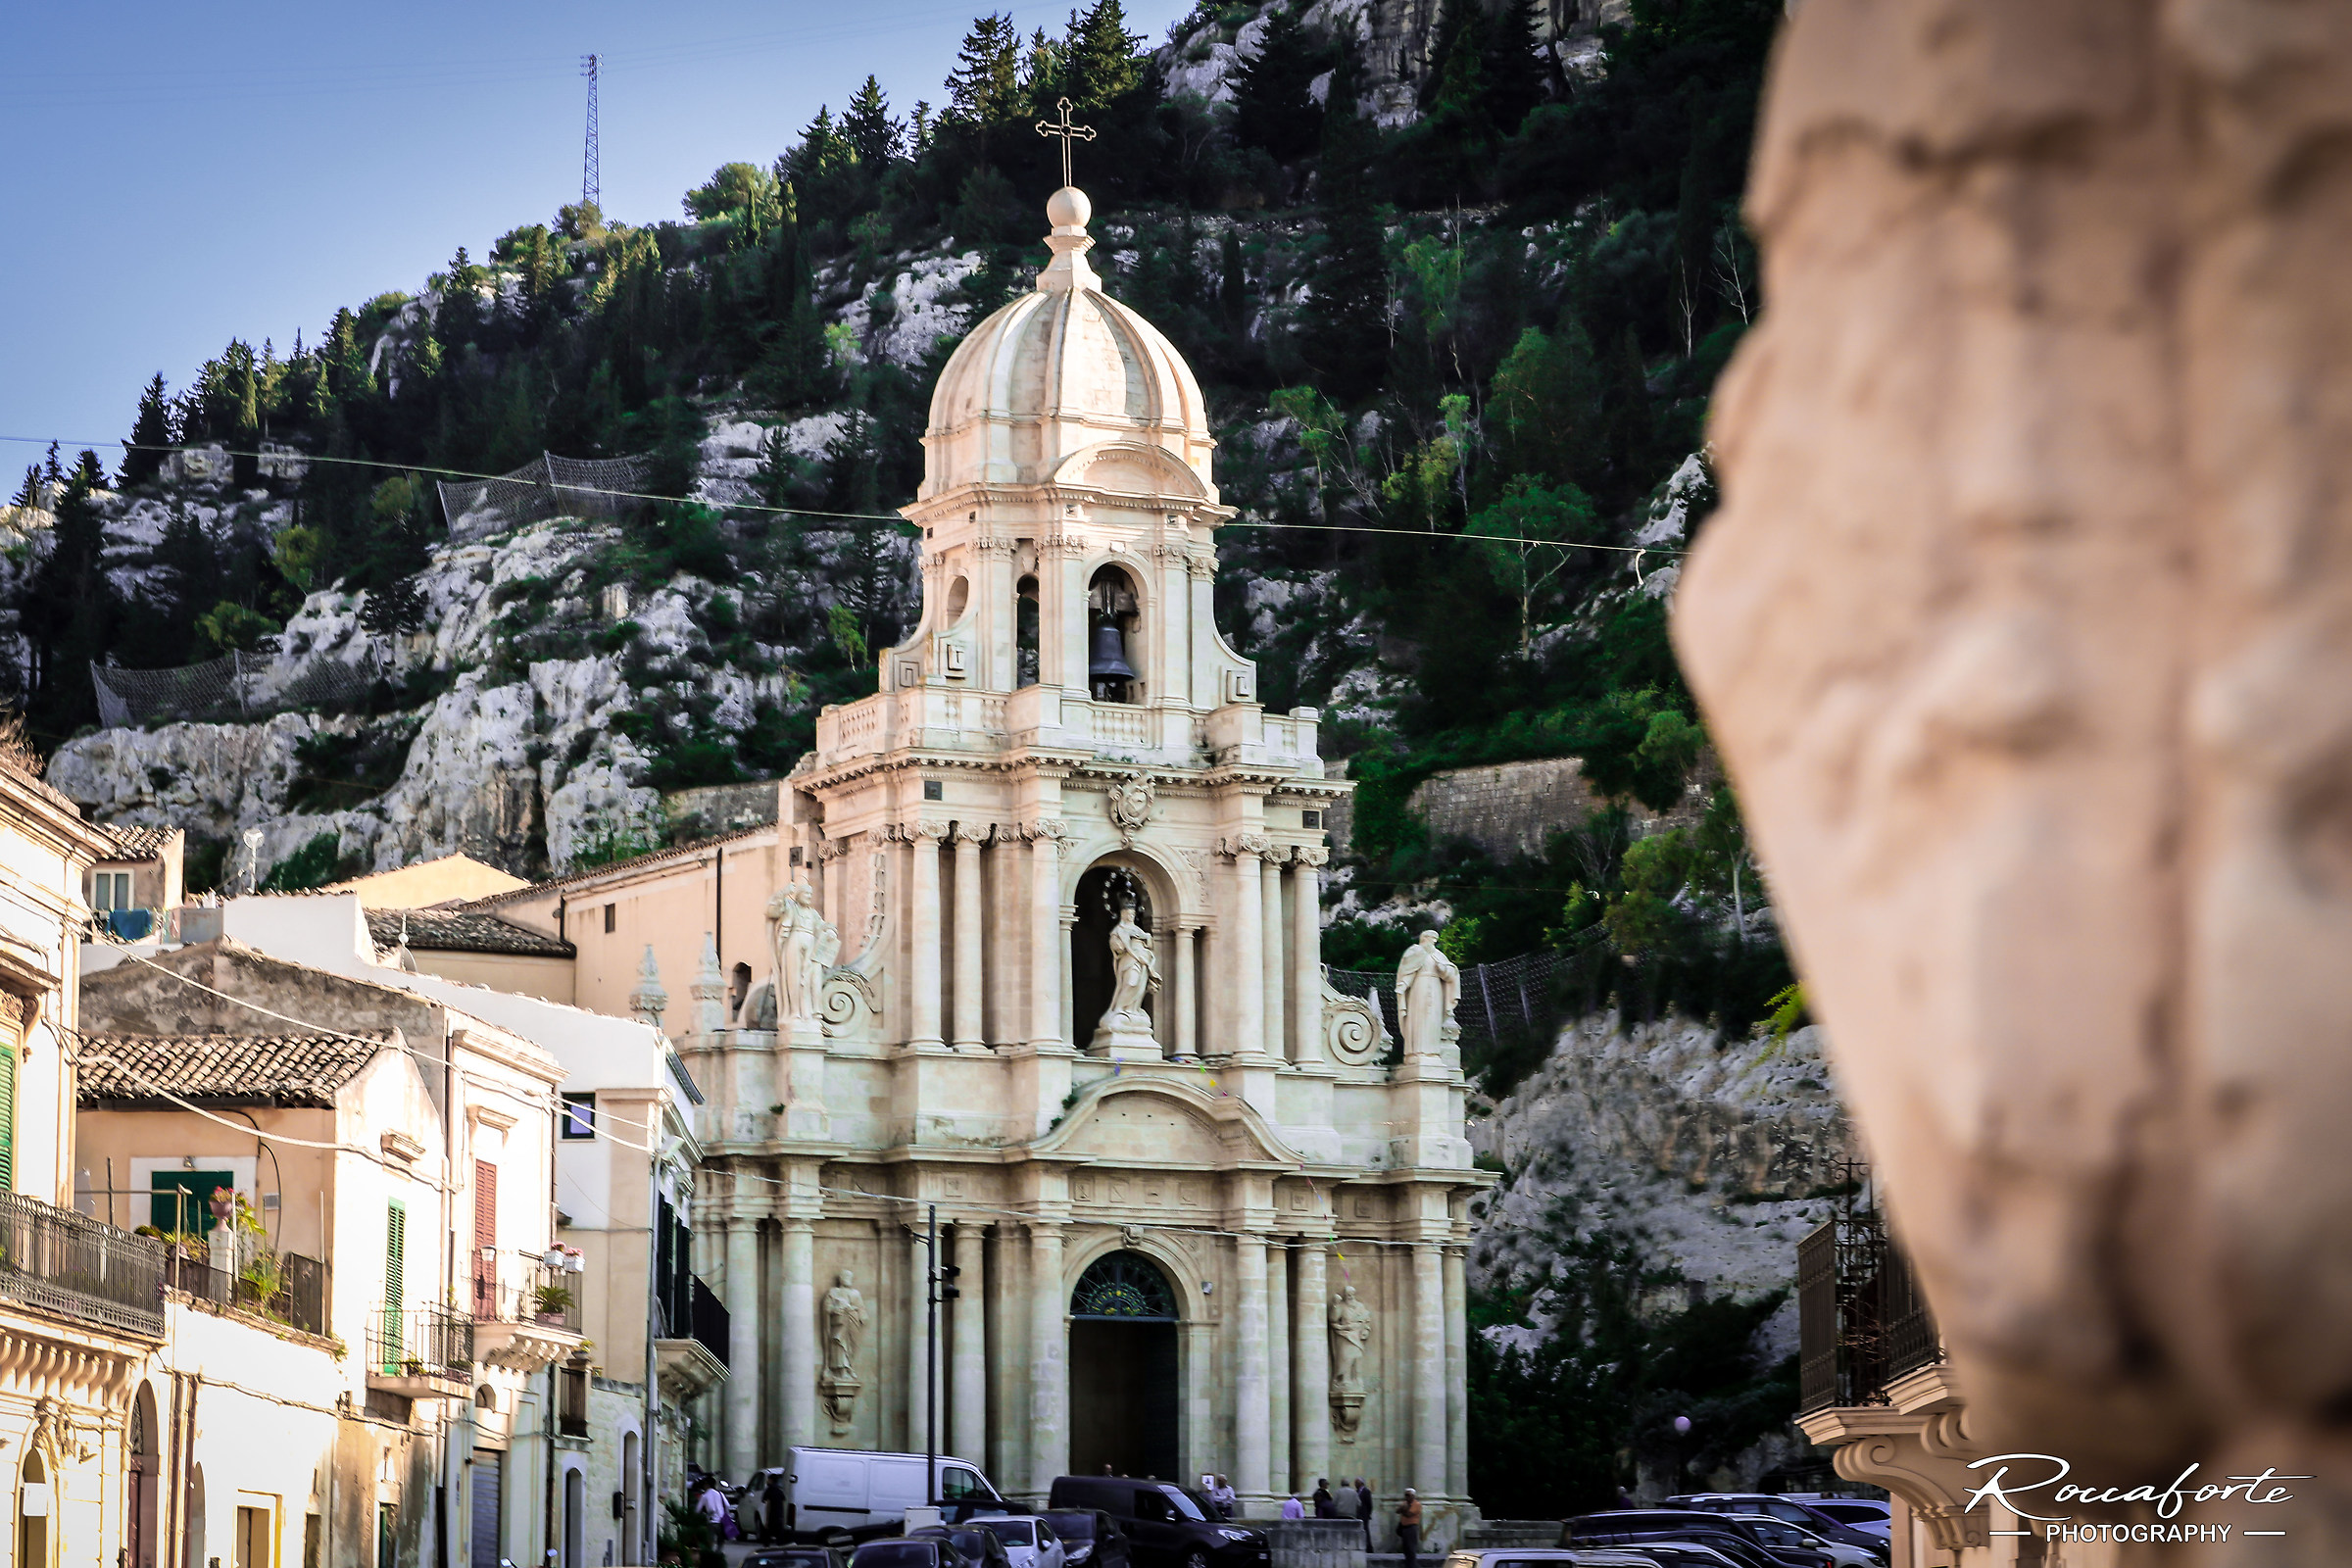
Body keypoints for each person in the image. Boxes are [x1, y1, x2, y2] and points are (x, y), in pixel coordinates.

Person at [1396, 1490, 1422, 1568]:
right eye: (1406, 1495)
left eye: (1408, 1495)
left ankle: (1412, 1565)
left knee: (1411, 1548)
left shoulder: (1416, 1504)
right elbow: (1397, 1511)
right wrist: (1403, 1508)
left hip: (1411, 1528)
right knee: (1406, 1548)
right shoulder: (1405, 1504)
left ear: (1413, 1496)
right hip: (1404, 1528)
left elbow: (1408, 1514)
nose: (1406, 1497)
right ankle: (1408, 1564)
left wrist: (1403, 1509)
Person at [762, 1472, 787, 1544]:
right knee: (779, 1537)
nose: (767, 1481)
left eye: (768, 1479)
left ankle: (766, 1550)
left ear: (771, 1480)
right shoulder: (780, 1491)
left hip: (771, 1517)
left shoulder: (769, 1490)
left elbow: (768, 1505)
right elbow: (783, 1504)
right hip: (779, 1517)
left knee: (767, 1536)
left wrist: (766, 1521)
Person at [1354, 1483, 1374, 1549]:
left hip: (1364, 1515)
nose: (1355, 1484)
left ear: (1360, 1483)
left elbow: (1369, 1504)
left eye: (1356, 1482)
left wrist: (1368, 1514)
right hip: (1358, 1515)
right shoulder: (1356, 1491)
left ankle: (1369, 1547)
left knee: (1366, 1530)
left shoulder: (1366, 1491)